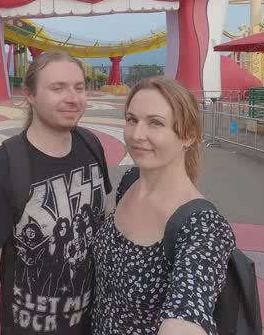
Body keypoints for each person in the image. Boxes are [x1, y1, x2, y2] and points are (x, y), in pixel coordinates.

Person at [0, 51, 112, 335]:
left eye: (79, 87)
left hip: (94, 323)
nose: (72, 97)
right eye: (57, 88)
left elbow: (103, 217)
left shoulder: (92, 145)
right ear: (30, 95)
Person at [92, 78, 235, 335]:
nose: (137, 135)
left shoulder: (203, 227)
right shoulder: (129, 181)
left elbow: (189, 310)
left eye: (155, 123)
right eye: (131, 120)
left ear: (189, 135)